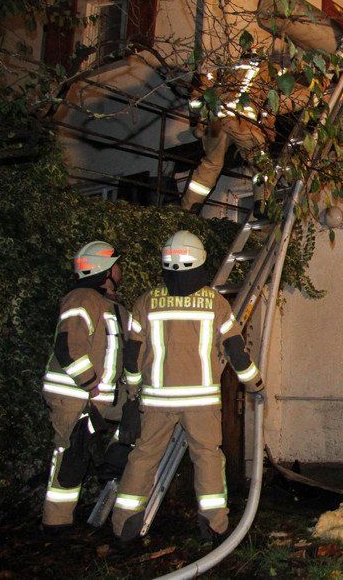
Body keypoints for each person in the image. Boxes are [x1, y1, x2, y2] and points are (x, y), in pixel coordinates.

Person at [111, 230, 265, 542]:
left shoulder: (146, 302)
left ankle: (123, 525)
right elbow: (236, 351)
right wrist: (256, 384)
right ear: (200, 261)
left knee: (143, 456)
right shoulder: (215, 303)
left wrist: (134, 391)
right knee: (207, 457)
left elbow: (132, 353)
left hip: (157, 401)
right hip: (201, 403)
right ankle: (214, 526)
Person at [42, 241, 126, 530]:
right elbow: (69, 347)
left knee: (140, 425)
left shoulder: (107, 305)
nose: (121, 269)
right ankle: (56, 524)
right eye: (116, 264)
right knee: (69, 459)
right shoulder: (81, 299)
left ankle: (110, 469)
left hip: (100, 398)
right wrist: (89, 382)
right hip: (74, 396)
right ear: (106, 270)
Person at [181, 62, 275, 213]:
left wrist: (200, 122)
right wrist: (269, 128)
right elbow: (272, 106)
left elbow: (199, 96)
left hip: (217, 120)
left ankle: (189, 207)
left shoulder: (227, 66)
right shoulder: (267, 72)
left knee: (211, 164)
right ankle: (262, 203)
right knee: (259, 159)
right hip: (241, 123)